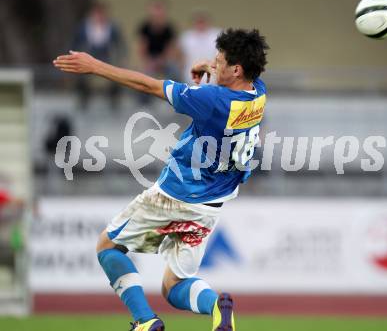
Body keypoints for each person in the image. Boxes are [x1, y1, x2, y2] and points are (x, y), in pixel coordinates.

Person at [54, 28, 269, 331]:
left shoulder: (210, 100)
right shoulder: (258, 93)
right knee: (173, 285)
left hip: (174, 196)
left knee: (108, 246)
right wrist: (209, 68)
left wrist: (95, 66)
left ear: (236, 69)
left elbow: (150, 85)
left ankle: (144, 321)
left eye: (219, 61)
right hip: (210, 206)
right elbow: (230, 80)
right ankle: (215, 307)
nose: (214, 64)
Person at [72, 1, 126, 109]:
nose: (99, 17)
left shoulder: (112, 27)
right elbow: (75, 43)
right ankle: (83, 101)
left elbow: (120, 44)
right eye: (97, 14)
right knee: (80, 78)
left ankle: (114, 102)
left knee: (117, 76)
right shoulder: (84, 27)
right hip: (89, 56)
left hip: (106, 58)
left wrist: (122, 58)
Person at [137, 0, 179, 80]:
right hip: (150, 60)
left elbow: (170, 49)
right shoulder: (145, 27)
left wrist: (161, 61)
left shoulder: (169, 28)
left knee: (174, 72)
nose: (157, 13)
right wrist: (148, 62)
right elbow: (142, 48)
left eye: (160, 9)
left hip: (165, 60)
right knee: (141, 77)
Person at [179, 11, 221, 84]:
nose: (201, 24)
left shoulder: (216, 35)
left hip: (213, 77)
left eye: (202, 22)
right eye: (198, 22)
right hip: (191, 76)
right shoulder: (187, 37)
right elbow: (181, 57)